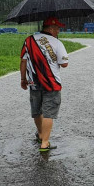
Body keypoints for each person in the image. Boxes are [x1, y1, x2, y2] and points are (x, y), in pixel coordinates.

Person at [20, 17, 69, 152]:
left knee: (37, 111)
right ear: (51, 29)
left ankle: (41, 135)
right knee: (48, 113)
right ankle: (45, 143)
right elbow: (64, 64)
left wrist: (23, 79)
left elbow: (23, 61)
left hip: (34, 82)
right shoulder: (57, 43)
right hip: (51, 84)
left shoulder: (29, 41)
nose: (59, 30)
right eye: (58, 28)